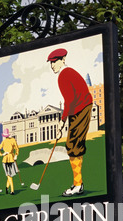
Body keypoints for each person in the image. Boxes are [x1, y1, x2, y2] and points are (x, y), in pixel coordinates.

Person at [47, 48, 93, 197]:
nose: (52, 65)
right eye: (51, 63)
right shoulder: (68, 73)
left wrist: (62, 122)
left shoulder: (64, 75)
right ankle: (78, 183)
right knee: (74, 146)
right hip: (79, 108)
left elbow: (69, 101)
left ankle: (78, 185)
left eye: (54, 62)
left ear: (63, 60)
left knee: (73, 146)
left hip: (80, 108)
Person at [0, 128, 20, 195]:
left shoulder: (13, 140)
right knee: (9, 175)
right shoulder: (4, 142)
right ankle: (12, 190)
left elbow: (17, 148)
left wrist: (16, 155)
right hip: (5, 160)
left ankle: (7, 187)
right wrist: (2, 154)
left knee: (10, 175)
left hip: (12, 159)